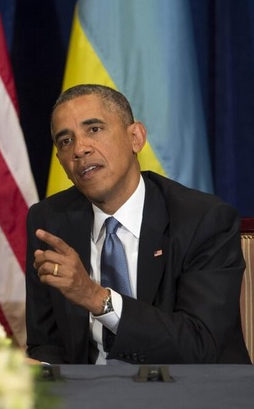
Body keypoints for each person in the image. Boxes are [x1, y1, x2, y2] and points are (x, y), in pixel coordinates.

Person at [25, 84, 250, 365]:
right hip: (86, 390)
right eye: (66, 141)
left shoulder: (203, 219)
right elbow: (47, 342)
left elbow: (201, 344)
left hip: (186, 386)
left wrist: (97, 298)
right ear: (60, 160)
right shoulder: (49, 220)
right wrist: (44, 373)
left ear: (136, 138)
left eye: (94, 129)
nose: (80, 149)